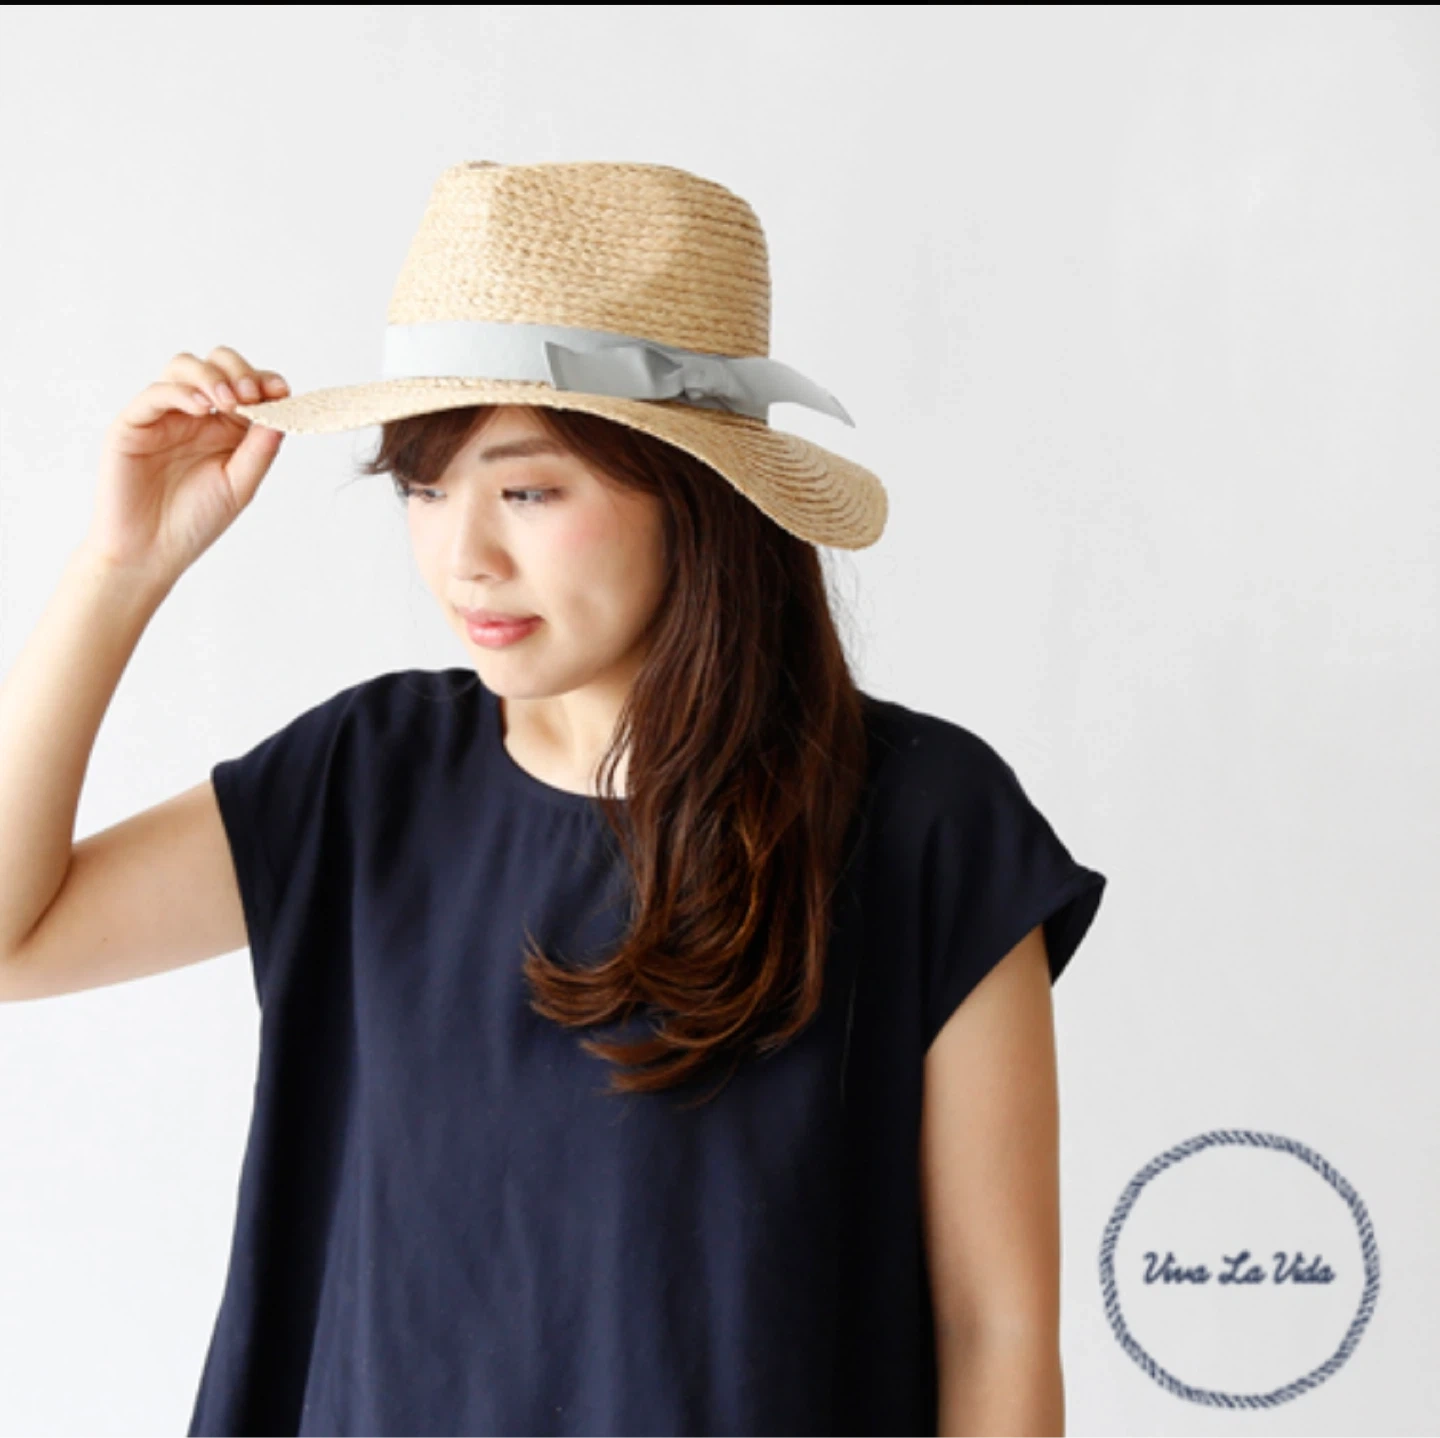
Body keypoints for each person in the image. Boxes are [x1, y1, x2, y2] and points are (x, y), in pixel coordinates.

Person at [0, 161, 1107, 1437]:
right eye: (423, 488)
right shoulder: (366, 779)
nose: (462, 556)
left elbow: (995, 1327)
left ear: (693, 488)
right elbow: (17, 939)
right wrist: (121, 567)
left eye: (528, 490)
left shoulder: (925, 823)